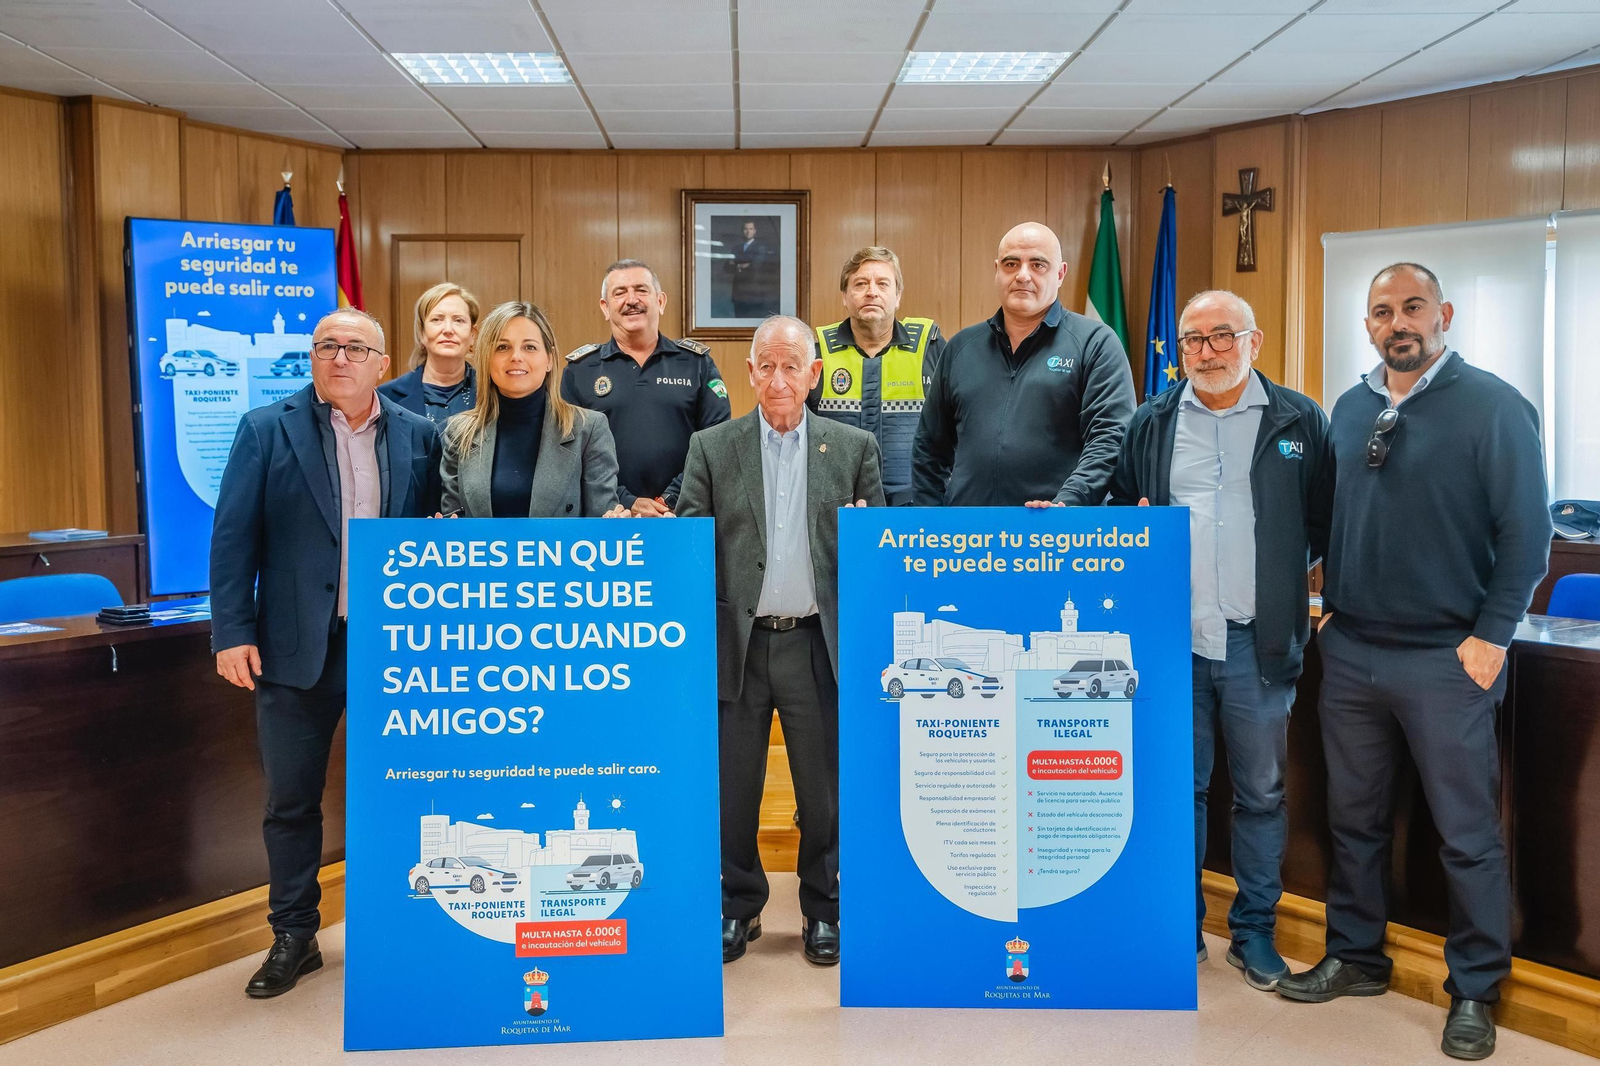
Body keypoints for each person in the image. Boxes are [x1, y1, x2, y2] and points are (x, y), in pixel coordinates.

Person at [1275, 263, 1551, 1061]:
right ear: (1367, 325)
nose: (1398, 322)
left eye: (1413, 307)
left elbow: (1527, 537)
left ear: (1445, 314)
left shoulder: (1495, 406)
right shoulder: (1352, 406)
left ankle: (1473, 988)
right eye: (1381, 311)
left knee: (1466, 833)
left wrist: (1491, 635)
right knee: (1352, 820)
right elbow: (1328, 517)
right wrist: (1325, 599)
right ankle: (1356, 956)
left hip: (1448, 657)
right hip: (1354, 651)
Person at [210, 308, 441, 998]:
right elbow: (232, 540)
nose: (339, 357)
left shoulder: (420, 434)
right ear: (313, 358)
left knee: (398, 795)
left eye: (354, 348)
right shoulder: (265, 428)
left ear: (380, 362)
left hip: (392, 652)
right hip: (291, 648)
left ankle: (401, 929)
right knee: (291, 800)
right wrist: (232, 630)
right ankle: (294, 934)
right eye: (326, 347)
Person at [1107, 290, 1333, 990]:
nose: (1205, 351)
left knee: (1262, 792)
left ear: (1254, 341)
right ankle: (1181, 925)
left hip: (1256, 644)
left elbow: (1323, 524)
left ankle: (1254, 933)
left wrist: (1270, 583)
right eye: (1192, 339)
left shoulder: (1300, 418)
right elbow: (1119, 506)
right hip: (1170, 645)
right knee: (1179, 788)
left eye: (1221, 337)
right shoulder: (1152, 420)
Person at [676, 315, 885, 967]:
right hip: (736, 645)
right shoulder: (713, 447)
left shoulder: (853, 450)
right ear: (749, 373)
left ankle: (824, 909)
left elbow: (873, 550)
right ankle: (739, 908)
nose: (778, 377)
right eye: (766, 364)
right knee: (733, 792)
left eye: (792, 365)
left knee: (821, 794)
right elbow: (689, 545)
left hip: (816, 645)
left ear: (814, 373)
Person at [912, 221, 1135, 507]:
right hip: (966, 541)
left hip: (1058, 535)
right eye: (1011, 264)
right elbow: (929, 447)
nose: (1023, 275)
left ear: (1060, 273)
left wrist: (1068, 504)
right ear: (997, 270)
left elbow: (1109, 438)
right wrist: (932, 522)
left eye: (1038, 265)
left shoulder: (1095, 342)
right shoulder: (960, 347)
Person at [562, 259, 731, 515]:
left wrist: (670, 498)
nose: (632, 300)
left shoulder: (697, 363)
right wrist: (625, 500)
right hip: (609, 518)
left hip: (684, 515)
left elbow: (717, 441)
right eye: (619, 293)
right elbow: (570, 454)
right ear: (605, 307)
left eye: (641, 290)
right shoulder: (580, 370)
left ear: (660, 301)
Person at [440, 301, 622, 519]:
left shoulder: (588, 429)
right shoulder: (459, 433)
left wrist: (615, 523)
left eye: (529, 347)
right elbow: (452, 526)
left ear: (550, 359)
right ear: (487, 359)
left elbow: (602, 524)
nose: (516, 356)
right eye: (502, 347)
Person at [808, 246, 946, 505]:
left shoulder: (931, 347)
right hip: (836, 508)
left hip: (915, 511)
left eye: (883, 283)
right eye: (860, 284)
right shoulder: (817, 354)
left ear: (897, 296)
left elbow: (961, 427)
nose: (872, 291)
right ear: (845, 296)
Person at [378, 282, 480, 427]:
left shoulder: (493, 392)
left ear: (472, 335)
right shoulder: (387, 396)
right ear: (421, 333)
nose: (448, 329)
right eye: (437, 319)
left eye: (458, 320)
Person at [731, 219, 777, 317]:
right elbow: (727, 266)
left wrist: (738, 264)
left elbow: (756, 265)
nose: (748, 231)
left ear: (755, 231)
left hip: (753, 292)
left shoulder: (760, 247)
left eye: (751, 229)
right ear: (742, 231)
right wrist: (742, 264)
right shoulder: (736, 248)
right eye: (745, 229)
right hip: (738, 293)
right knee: (739, 320)